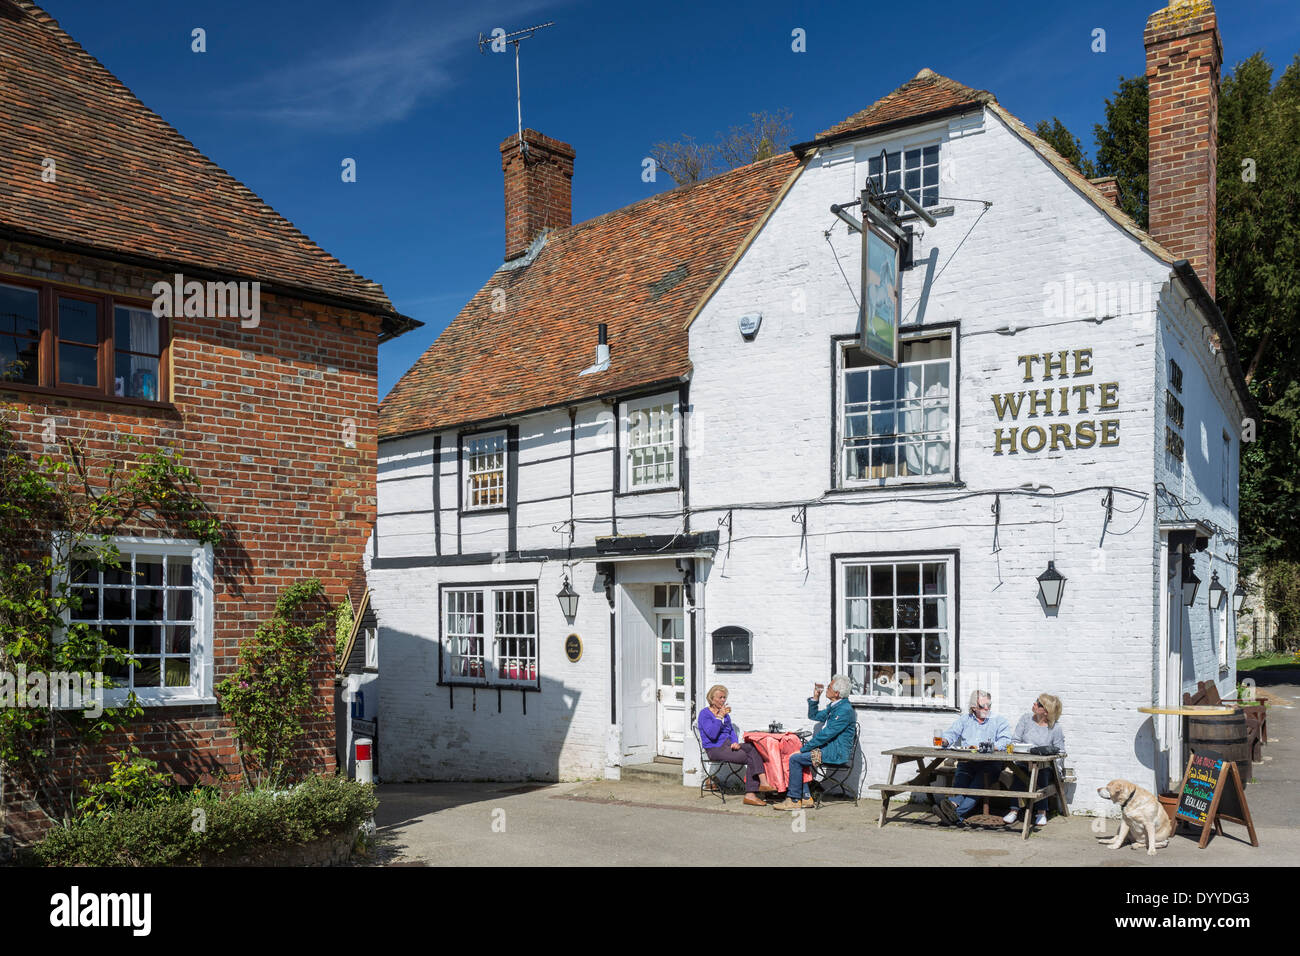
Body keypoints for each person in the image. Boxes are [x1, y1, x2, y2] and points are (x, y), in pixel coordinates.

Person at [773, 675, 856, 811]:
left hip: (835, 753)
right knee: (797, 756)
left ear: (836, 693)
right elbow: (814, 716)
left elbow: (826, 735)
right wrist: (815, 698)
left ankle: (794, 799)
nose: (826, 688)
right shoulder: (836, 706)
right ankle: (806, 797)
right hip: (827, 750)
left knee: (795, 758)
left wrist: (804, 749)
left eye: (829, 687)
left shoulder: (844, 710)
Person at [934, 688, 1012, 825]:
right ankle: (952, 807)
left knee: (975, 788)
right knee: (961, 781)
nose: (987, 708)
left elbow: (1005, 742)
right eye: (983, 706)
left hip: (990, 763)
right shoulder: (964, 719)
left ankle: (954, 815)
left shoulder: (999, 721)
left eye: (989, 705)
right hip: (967, 761)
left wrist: (989, 747)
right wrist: (944, 741)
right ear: (973, 707)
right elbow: (951, 734)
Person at [697, 684, 774, 806]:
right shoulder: (704, 714)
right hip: (714, 749)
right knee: (751, 757)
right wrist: (719, 717)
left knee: (753, 747)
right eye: (720, 697)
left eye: (724, 697)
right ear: (712, 699)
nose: (723, 700)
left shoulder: (726, 715)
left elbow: (731, 731)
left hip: (727, 745)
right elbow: (712, 735)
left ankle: (761, 784)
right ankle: (752, 792)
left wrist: (735, 742)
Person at [1003, 693, 1065, 827]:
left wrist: (1058, 771)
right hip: (1023, 762)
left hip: (1046, 766)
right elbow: (1015, 741)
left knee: (1041, 775)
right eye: (1036, 701)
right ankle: (1014, 810)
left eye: (1038, 703)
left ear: (1046, 711)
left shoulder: (1055, 728)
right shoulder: (1026, 719)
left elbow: (1060, 751)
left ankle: (1041, 812)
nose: (1034, 704)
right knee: (1019, 775)